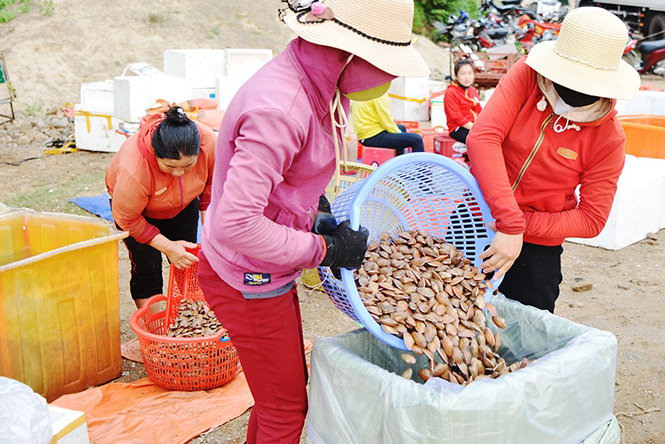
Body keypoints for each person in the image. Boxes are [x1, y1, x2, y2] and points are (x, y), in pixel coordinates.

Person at [196, 0, 429, 442]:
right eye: (384, 65)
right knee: (286, 410)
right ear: (349, 54)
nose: (389, 76)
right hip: (248, 276)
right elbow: (236, 224)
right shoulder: (282, 108)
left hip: (265, 267)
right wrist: (324, 250)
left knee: (277, 398)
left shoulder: (317, 83)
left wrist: (317, 220)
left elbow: (281, 186)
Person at [466, 7, 639, 313]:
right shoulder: (528, 75)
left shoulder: (609, 138)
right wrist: (508, 221)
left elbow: (592, 218)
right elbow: (483, 137)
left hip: (536, 250)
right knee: (443, 319)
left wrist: (519, 227)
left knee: (522, 347)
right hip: (474, 217)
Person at [105, 106, 216, 309]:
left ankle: (188, 314)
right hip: (138, 215)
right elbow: (127, 220)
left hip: (183, 205)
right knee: (147, 266)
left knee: (187, 259)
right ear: (155, 154)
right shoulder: (134, 169)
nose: (179, 173)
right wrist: (167, 246)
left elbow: (211, 187)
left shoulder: (208, 142)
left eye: (188, 166)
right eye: (170, 166)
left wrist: (210, 234)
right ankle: (158, 328)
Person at [351, 91, 425, 155]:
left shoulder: (363, 91)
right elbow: (386, 121)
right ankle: (421, 170)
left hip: (365, 135)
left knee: (401, 128)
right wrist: (398, 133)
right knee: (416, 139)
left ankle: (399, 162)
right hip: (372, 136)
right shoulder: (379, 93)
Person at [444, 58, 482, 144]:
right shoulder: (451, 92)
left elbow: (479, 110)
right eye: (463, 74)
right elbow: (457, 117)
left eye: (470, 73)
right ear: (456, 76)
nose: (467, 77)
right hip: (458, 128)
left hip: (474, 126)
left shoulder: (473, 90)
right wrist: (475, 128)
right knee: (477, 141)